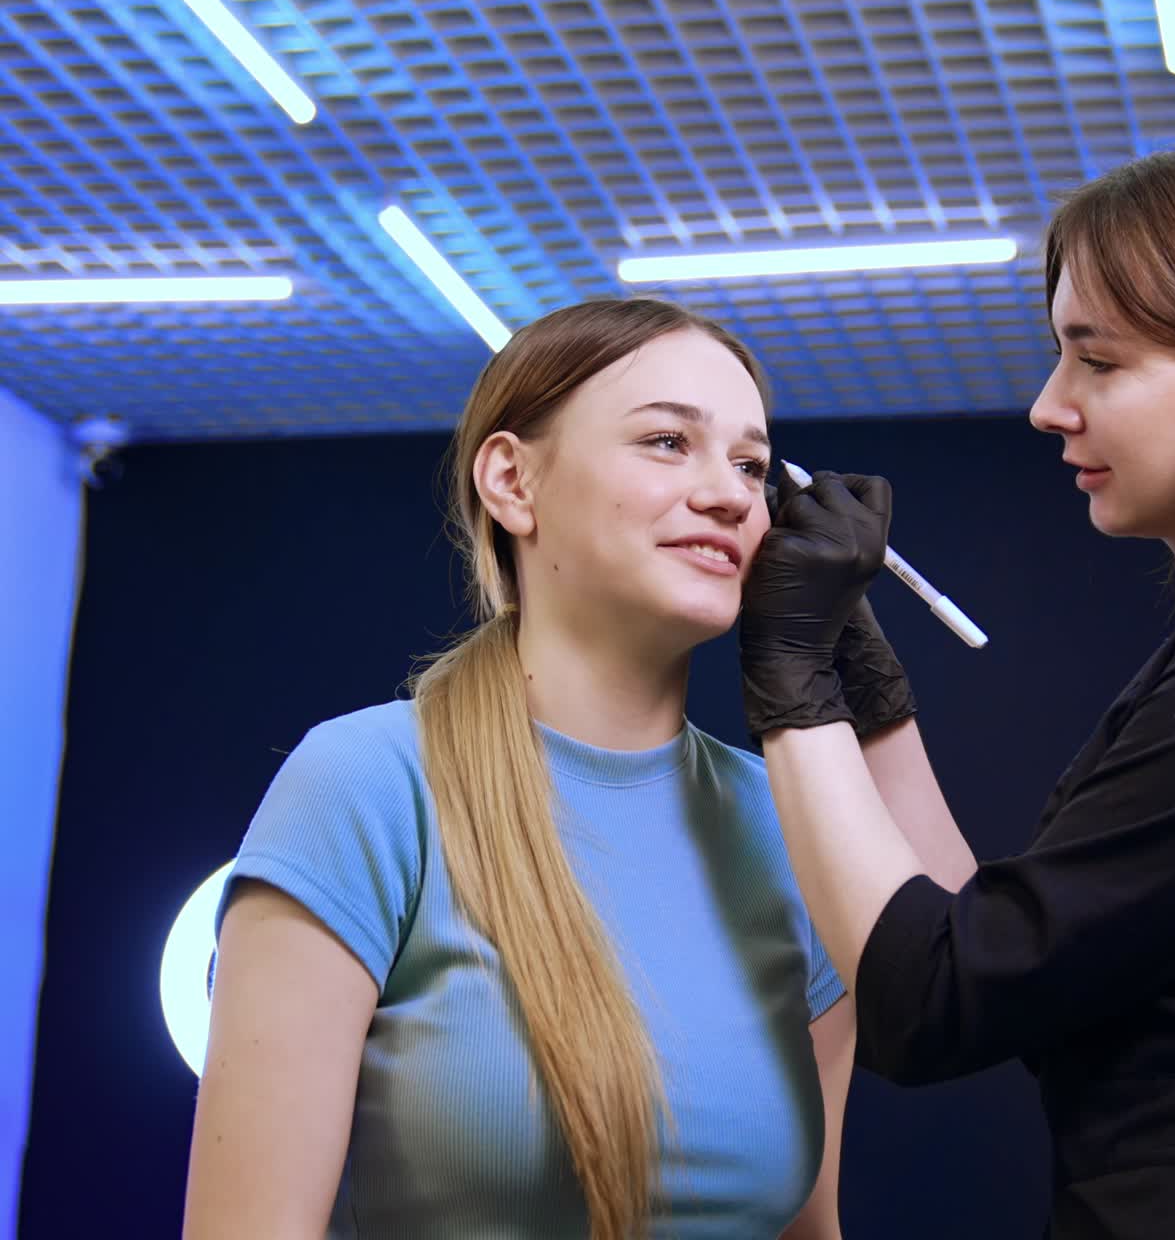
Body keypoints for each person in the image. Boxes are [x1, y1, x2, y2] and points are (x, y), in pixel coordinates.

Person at [182, 298, 915, 1240]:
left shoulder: (787, 822)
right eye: (665, 442)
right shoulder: (368, 786)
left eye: (749, 464)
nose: (732, 495)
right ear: (513, 482)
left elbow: (811, 1228)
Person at [738, 129, 1175, 1237]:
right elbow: (1008, 971)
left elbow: (930, 1004)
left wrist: (789, 681)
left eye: (1099, 358)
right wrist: (870, 704)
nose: (1045, 404)